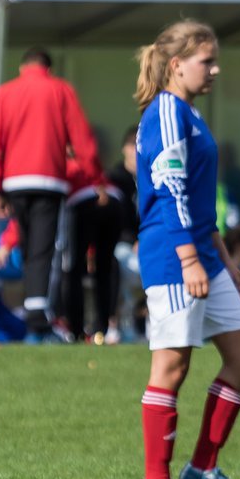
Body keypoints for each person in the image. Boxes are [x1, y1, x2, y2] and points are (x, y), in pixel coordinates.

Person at [134, 20, 240, 479]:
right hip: (173, 255)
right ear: (176, 65)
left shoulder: (188, 112)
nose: (215, 69)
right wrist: (189, 258)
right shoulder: (167, 111)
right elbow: (170, 191)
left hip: (204, 255)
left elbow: (201, 200)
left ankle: (201, 470)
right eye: (206, 61)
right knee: (171, 367)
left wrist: (223, 258)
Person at [0, 47, 104, 341]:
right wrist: (95, 177)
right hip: (49, 181)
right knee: (43, 249)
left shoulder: (4, 94)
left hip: (13, 182)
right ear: (47, 66)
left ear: (23, 66)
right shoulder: (61, 90)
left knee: (26, 245)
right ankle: (38, 316)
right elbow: (82, 139)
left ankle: (33, 311)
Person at [64, 155, 122, 344]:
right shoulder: (94, 163)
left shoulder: (66, 164)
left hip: (82, 201)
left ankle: (76, 330)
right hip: (114, 200)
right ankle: (102, 329)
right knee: (106, 267)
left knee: (75, 267)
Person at [109, 127, 144, 340]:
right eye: (132, 146)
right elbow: (115, 223)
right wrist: (133, 240)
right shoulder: (115, 179)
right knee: (124, 265)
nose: (136, 151)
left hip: (146, 245)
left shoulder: (150, 178)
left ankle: (143, 324)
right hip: (120, 246)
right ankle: (118, 324)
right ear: (124, 149)